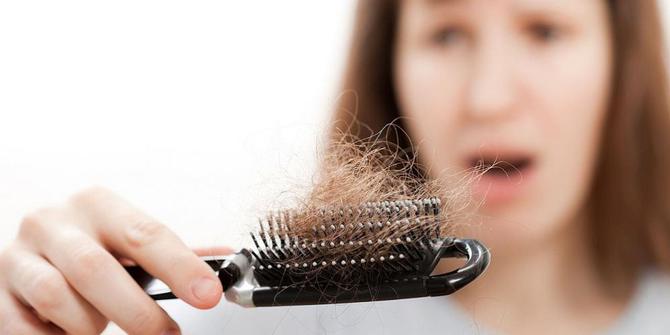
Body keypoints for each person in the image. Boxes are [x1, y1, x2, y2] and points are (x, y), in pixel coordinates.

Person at [2, 0, 670, 334]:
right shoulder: (263, 324)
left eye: (545, 29)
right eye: (445, 33)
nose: (489, 95)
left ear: (623, 62)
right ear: (391, 69)